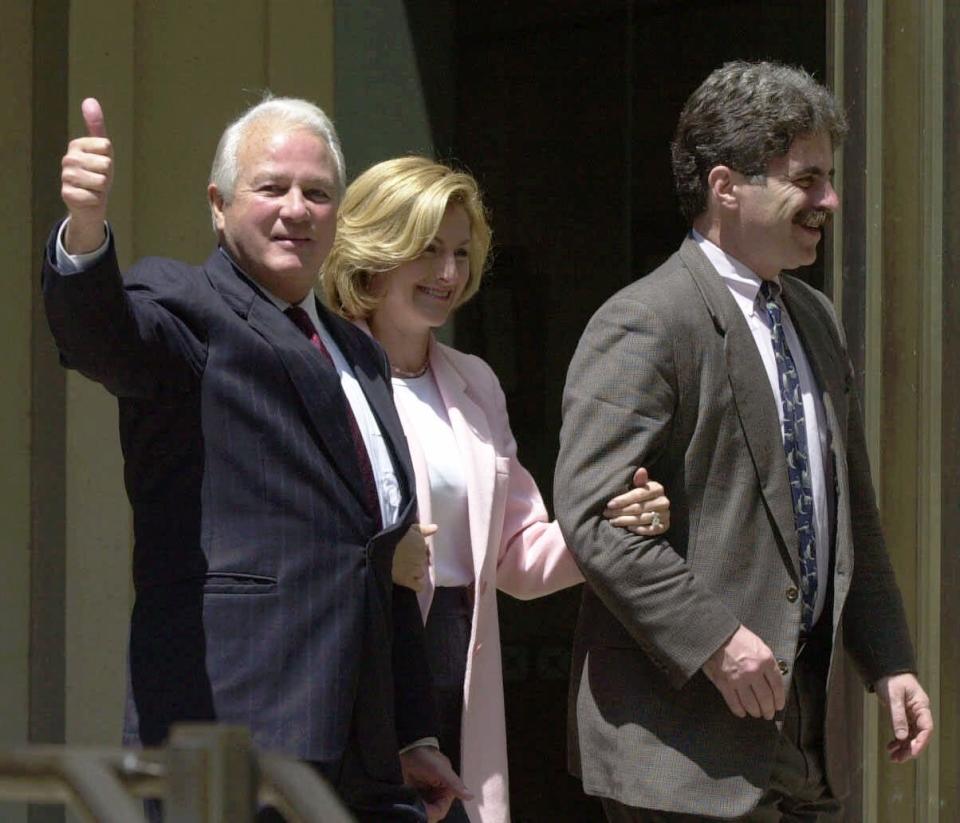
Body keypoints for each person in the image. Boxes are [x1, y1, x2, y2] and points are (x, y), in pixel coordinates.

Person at [43, 96, 467, 822]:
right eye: (272, 187)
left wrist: (411, 731)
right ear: (219, 204)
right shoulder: (185, 305)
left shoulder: (359, 352)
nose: (296, 209)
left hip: (360, 758)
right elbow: (102, 337)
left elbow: (373, 557)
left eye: (317, 192)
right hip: (234, 733)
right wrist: (84, 234)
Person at [553, 61, 933, 821]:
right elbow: (595, 517)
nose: (827, 199)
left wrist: (889, 660)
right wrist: (718, 639)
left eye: (828, 177)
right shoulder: (647, 321)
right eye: (806, 178)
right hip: (680, 753)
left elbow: (848, 508)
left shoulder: (815, 318)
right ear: (726, 186)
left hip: (796, 746)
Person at [321, 156, 672, 823]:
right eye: (428, 249)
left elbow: (519, 556)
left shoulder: (473, 380)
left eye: (460, 252)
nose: (449, 273)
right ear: (375, 249)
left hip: (457, 665)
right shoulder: (322, 374)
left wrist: (611, 526)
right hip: (360, 661)